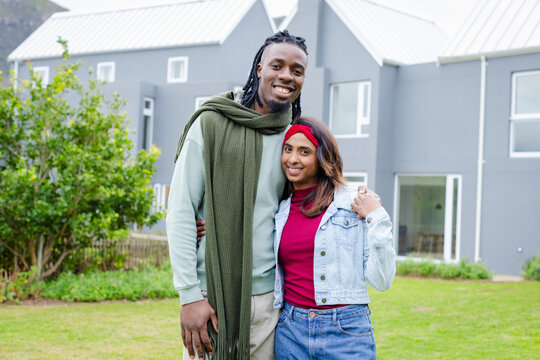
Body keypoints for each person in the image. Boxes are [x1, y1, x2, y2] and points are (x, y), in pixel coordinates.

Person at [166, 30, 309, 360]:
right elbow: (181, 210)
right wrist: (189, 296)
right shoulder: (212, 123)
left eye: (297, 70)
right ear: (259, 68)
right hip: (212, 294)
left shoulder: (295, 138)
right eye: (277, 65)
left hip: (274, 301)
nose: (287, 75)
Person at [273, 116, 396, 360]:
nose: (293, 159)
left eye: (304, 151)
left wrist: (377, 219)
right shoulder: (278, 208)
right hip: (291, 330)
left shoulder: (354, 202)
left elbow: (382, 281)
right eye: (288, 149)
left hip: (346, 331)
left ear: (322, 159)